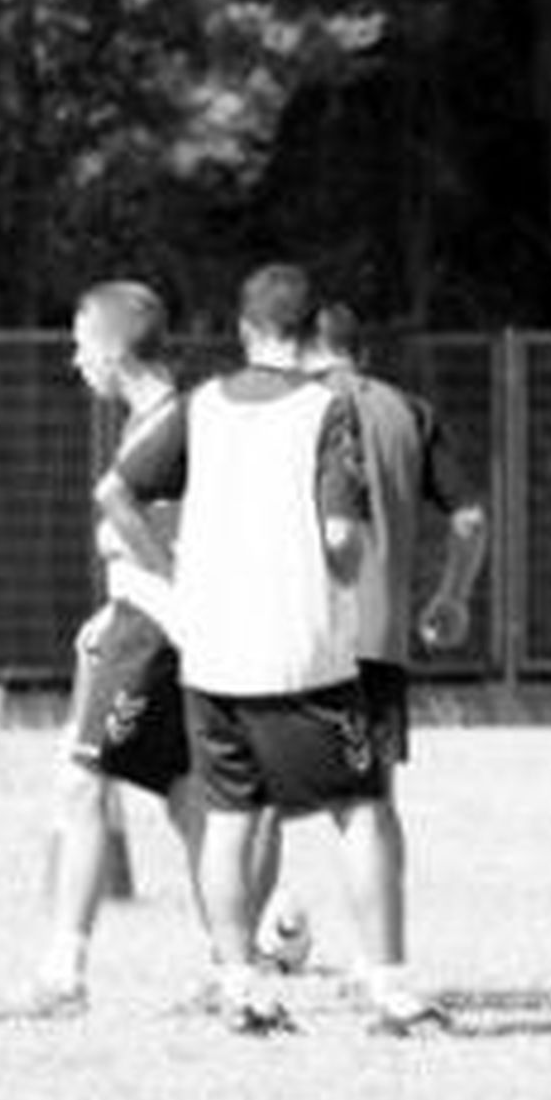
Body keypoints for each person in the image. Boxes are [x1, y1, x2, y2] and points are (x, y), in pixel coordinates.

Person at [98, 264, 437, 1035]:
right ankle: (388, 986)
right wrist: (347, 575)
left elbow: (114, 492)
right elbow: (343, 535)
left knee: (230, 816)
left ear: (244, 329)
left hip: (212, 651)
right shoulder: (326, 411)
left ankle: (239, 982)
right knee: (363, 808)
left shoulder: (200, 406)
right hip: (303, 651)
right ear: (314, 331)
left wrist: (164, 565)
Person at [0, 282, 202, 1020]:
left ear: (111, 348)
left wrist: (147, 596)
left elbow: (154, 530)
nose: (75, 359)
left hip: (150, 636)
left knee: (82, 784)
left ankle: (62, 975)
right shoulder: (159, 419)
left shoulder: (168, 422)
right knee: (187, 795)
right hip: (149, 627)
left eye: (80, 342)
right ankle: (232, 959)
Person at [254, 302, 487, 984]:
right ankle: (378, 958)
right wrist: (452, 595)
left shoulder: (290, 408)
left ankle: (244, 958)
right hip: (381, 637)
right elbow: (470, 519)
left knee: (258, 798)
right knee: (370, 803)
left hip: (300, 631)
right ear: (361, 352)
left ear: (303, 349)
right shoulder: (408, 411)